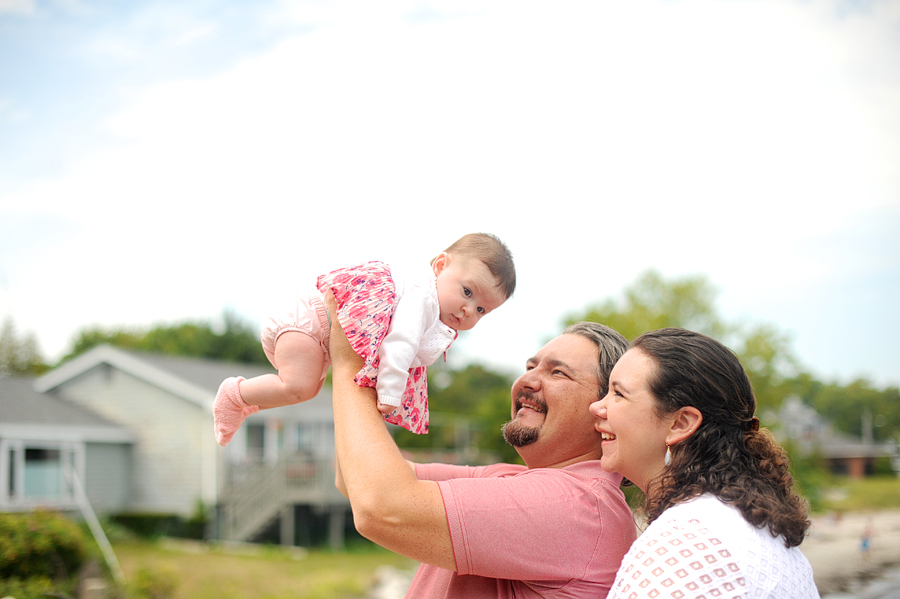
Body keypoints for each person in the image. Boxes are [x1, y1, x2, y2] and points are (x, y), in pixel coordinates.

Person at [328, 317, 638, 598]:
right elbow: (358, 479)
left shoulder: (578, 505)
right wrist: (383, 363)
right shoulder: (516, 481)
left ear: (604, 410)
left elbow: (381, 506)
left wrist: (348, 363)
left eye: (558, 373)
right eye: (531, 367)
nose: (527, 381)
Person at [214, 233, 516, 446]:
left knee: (307, 390)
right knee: (299, 386)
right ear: (440, 266)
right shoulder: (422, 297)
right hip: (308, 319)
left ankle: (250, 401)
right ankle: (234, 394)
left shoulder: (433, 309)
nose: (468, 310)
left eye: (481, 309)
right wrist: (390, 393)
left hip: (315, 335)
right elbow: (400, 344)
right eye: (467, 292)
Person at [590, 328, 819, 598]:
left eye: (618, 394)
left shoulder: (681, 547)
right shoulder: (759, 531)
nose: (596, 407)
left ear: (680, 423)